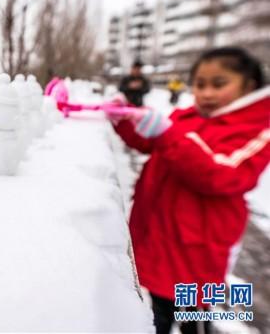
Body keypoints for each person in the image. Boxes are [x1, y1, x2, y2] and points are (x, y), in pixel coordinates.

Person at [105, 47, 270, 334]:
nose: (206, 93)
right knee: (157, 311)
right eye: (200, 84)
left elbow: (222, 174)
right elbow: (154, 145)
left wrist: (166, 133)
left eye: (219, 84)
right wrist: (126, 123)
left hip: (199, 251)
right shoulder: (189, 116)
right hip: (162, 237)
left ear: (249, 86)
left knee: (194, 316)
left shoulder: (256, 128)